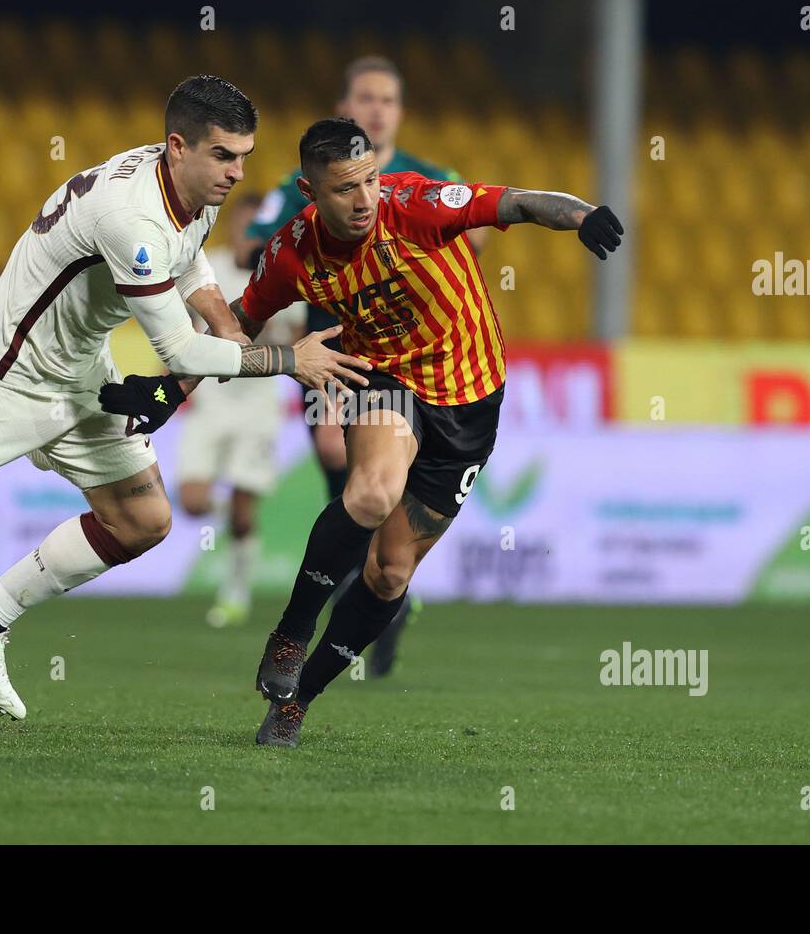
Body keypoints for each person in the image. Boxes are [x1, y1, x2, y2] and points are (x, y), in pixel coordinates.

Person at [0, 76, 369, 740]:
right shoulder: (130, 215)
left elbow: (190, 262)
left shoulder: (190, 189)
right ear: (178, 146)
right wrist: (290, 360)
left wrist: (226, 322)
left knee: (142, 519)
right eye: (226, 155)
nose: (239, 171)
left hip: (81, 373)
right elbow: (175, 348)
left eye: (245, 156)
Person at [230, 117, 623, 746]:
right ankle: (291, 632)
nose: (362, 200)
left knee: (390, 574)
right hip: (387, 381)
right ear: (310, 192)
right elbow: (234, 329)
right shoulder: (291, 254)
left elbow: (517, 202)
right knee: (372, 493)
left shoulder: (415, 202)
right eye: (343, 189)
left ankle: (299, 698)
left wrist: (581, 216)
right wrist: (168, 388)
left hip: (471, 401)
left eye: (368, 181)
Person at [244, 56, 472, 675]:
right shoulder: (313, 176)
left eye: (388, 99)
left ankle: (378, 584)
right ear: (347, 106)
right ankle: (358, 580)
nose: (377, 108)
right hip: (333, 351)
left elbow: (469, 233)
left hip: (416, 361)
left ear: (399, 111)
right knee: (339, 461)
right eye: (365, 97)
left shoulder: (426, 177)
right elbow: (255, 241)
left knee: (376, 488)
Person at [175, 193, 306, 627]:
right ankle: (229, 521)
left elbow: (301, 344)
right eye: (246, 228)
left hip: (258, 406)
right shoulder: (207, 267)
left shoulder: (288, 280)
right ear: (233, 228)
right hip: (210, 402)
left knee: (245, 509)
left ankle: (235, 592)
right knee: (192, 502)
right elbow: (178, 329)